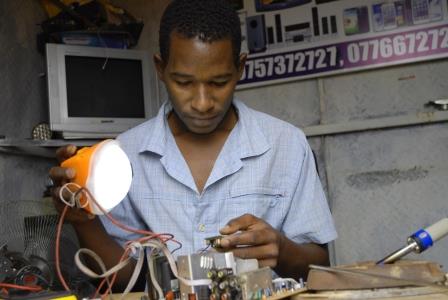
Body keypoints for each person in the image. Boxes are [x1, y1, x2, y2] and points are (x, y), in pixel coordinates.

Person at [49, 0, 337, 291]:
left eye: (219, 82)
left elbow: (320, 263)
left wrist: (282, 250)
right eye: (184, 82)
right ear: (161, 69)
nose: (202, 103)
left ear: (240, 68)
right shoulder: (123, 157)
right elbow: (123, 279)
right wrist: (82, 220)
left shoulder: (285, 144)